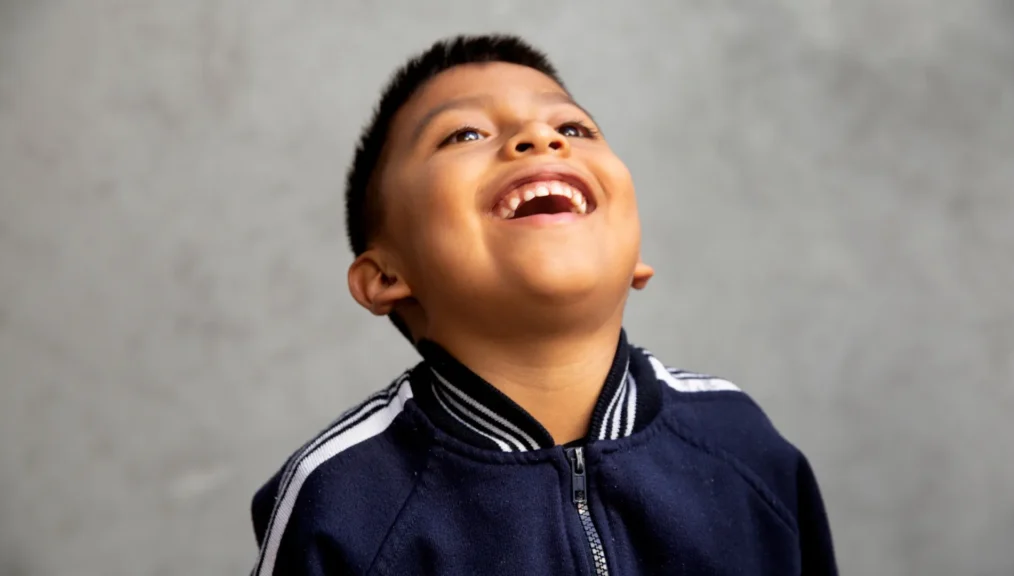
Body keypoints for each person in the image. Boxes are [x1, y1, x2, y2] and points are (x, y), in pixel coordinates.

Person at [249, 34, 838, 576]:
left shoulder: (742, 445)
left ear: (637, 257)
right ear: (385, 277)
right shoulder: (340, 499)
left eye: (575, 129)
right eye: (465, 135)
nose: (540, 139)